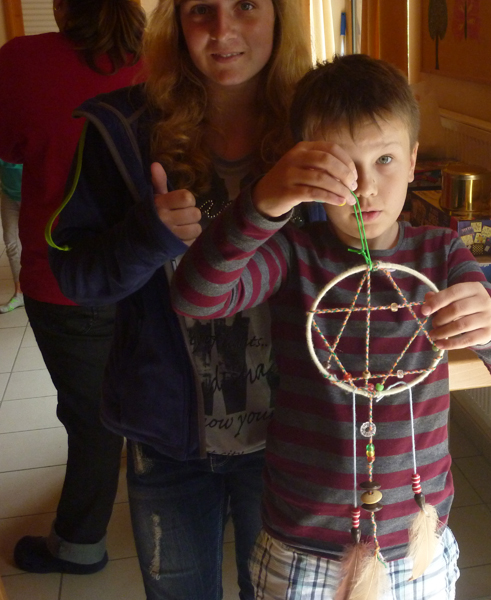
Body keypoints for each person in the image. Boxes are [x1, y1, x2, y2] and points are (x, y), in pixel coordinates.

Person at [171, 54, 491, 600]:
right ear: (307, 167)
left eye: (385, 159)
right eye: (343, 167)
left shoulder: (442, 253)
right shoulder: (293, 253)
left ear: (414, 160)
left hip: (415, 546)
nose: (366, 188)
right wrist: (263, 203)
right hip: (302, 546)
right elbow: (194, 297)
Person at [47, 0, 309, 597]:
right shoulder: (121, 130)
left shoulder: (317, 125)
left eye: (246, 5)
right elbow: (74, 276)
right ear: (176, 22)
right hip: (167, 435)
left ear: (280, 16)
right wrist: (146, 237)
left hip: (292, 433)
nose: (223, 29)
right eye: (201, 10)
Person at [0, 0, 144, 574]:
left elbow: (10, 149)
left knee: (91, 416)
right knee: (158, 390)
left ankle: (80, 544)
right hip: (155, 269)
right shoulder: (163, 59)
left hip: (65, 278)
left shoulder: (20, 61)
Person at [0, 159, 23, 313]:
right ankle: (19, 293)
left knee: (43, 241)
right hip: (9, 194)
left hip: (35, 192)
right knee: (11, 242)